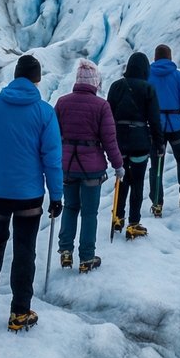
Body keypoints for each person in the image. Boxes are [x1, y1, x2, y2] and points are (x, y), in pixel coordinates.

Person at [0, 55, 63, 332]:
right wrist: (56, 196)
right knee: (24, 251)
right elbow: (52, 159)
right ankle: (19, 312)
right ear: (37, 79)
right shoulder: (45, 112)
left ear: (15, 75)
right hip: (29, 196)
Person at [54, 60, 123, 272]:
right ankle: (86, 257)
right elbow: (109, 140)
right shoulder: (102, 106)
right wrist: (118, 165)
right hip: (92, 167)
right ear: (95, 82)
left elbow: (53, 136)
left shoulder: (62, 103)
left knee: (70, 207)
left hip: (67, 165)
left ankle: (65, 251)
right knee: (89, 213)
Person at [106, 51, 163, 239]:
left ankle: (117, 217)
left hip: (119, 141)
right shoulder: (149, 89)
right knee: (137, 182)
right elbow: (154, 119)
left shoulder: (116, 87)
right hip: (140, 143)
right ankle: (134, 223)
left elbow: (108, 115)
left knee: (122, 179)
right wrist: (159, 144)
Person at [148, 44, 180, 214]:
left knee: (156, 164)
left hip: (156, 127)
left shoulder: (148, 76)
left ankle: (157, 203)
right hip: (176, 125)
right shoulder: (179, 77)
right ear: (170, 58)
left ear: (155, 58)